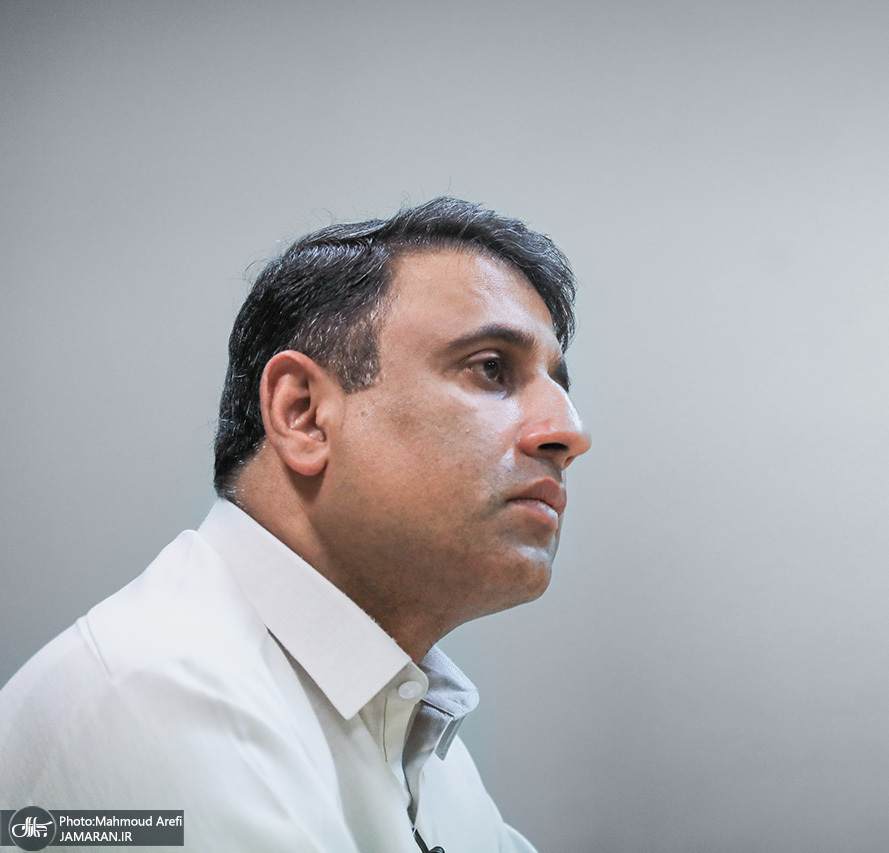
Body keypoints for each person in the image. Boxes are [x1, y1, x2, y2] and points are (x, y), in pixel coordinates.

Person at [0, 198, 591, 852]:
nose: (569, 431)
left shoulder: (413, 736)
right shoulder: (159, 693)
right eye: (491, 368)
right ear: (304, 415)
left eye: (558, 383)